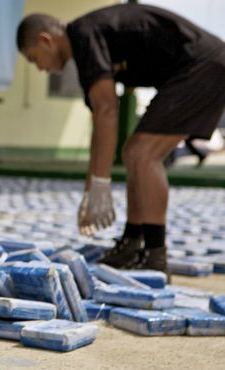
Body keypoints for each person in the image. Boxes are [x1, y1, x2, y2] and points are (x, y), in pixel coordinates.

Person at [16, 4, 225, 272]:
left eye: (34, 59)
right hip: (191, 70)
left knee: (143, 154)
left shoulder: (83, 34)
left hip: (202, 65)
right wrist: (92, 187)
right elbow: (100, 121)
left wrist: (101, 184)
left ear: (46, 40)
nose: (40, 69)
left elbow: (107, 110)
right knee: (133, 153)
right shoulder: (84, 42)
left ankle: (155, 254)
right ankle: (132, 243)